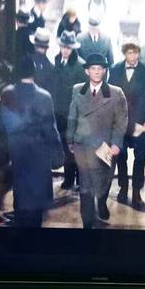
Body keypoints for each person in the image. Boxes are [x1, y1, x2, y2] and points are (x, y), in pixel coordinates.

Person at [0, 56, 63, 228]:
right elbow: (51, 130)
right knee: (37, 207)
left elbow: (2, 126)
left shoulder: (7, 93)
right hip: (39, 156)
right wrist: (58, 157)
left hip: (17, 153)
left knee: (20, 197)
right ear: (34, 73)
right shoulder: (44, 97)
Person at [66, 53, 128, 228]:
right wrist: (70, 139)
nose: (96, 71)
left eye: (100, 68)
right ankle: (87, 222)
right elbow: (72, 115)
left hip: (104, 146)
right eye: (93, 68)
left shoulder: (116, 93)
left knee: (102, 180)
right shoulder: (78, 90)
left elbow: (121, 121)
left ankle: (101, 202)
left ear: (104, 71)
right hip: (82, 144)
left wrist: (116, 143)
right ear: (87, 71)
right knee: (85, 184)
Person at [108, 39, 145, 207]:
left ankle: (137, 190)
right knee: (121, 156)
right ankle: (123, 188)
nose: (133, 56)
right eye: (130, 52)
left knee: (140, 157)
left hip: (140, 122)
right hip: (121, 121)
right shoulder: (115, 70)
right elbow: (109, 95)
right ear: (125, 53)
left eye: (136, 52)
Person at [52, 30, 87, 190]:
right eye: (63, 47)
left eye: (68, 48)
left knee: (76, 147)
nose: (65, 50)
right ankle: (68, 178)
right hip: (60, 112)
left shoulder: (80, 65)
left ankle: (80, 179)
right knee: (65, 147)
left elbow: (84, 92)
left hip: (74, 113)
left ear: (73, 48)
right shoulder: (57, 60)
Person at [28, 27, 56, 97]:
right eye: (39, 47)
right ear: (34, 46)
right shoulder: (25, 63)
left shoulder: (51, 69)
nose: (40, 50)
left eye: (42, 47)